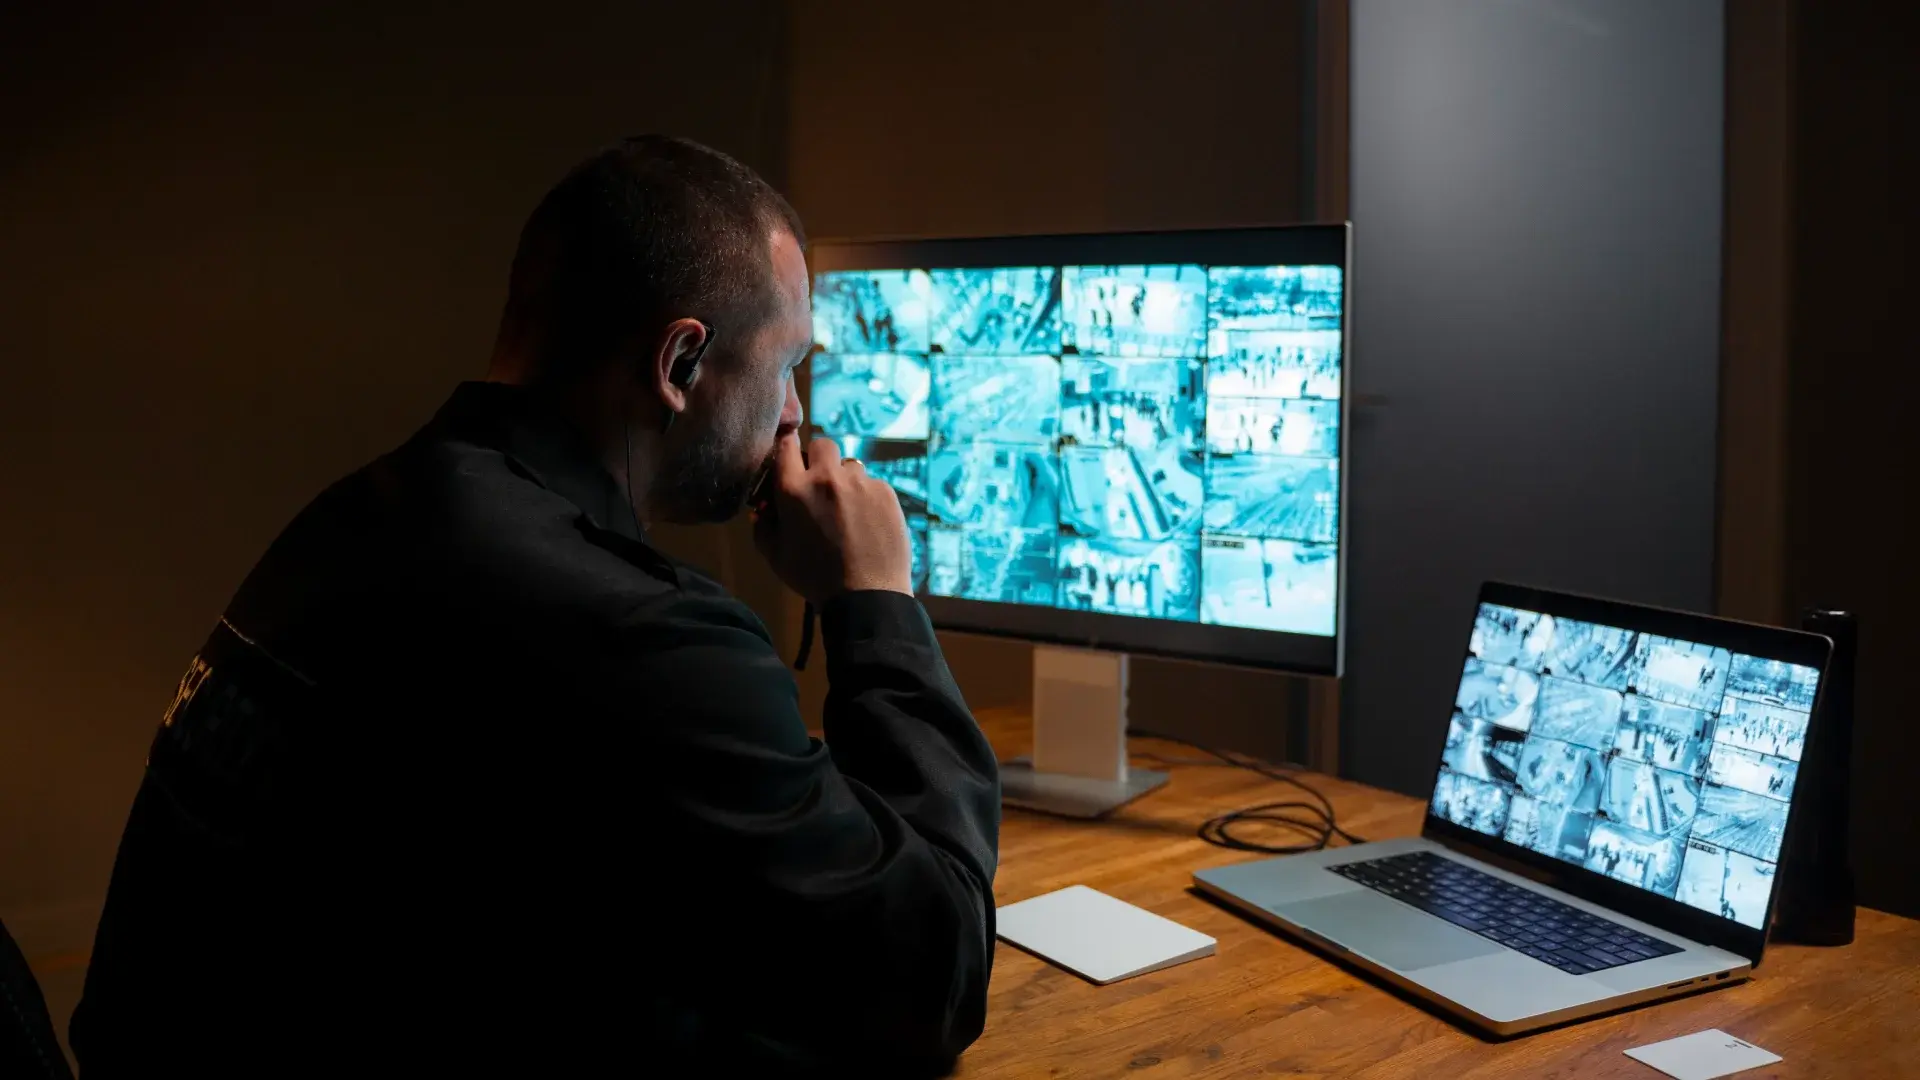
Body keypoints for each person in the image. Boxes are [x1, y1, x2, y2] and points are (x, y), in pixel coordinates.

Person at [71, 136, 1001, 1077]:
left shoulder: (365, 515)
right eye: (787, 363)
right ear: (681, 362)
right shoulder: (632, 634)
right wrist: (874, 600)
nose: (795, 412)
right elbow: (936, 980)